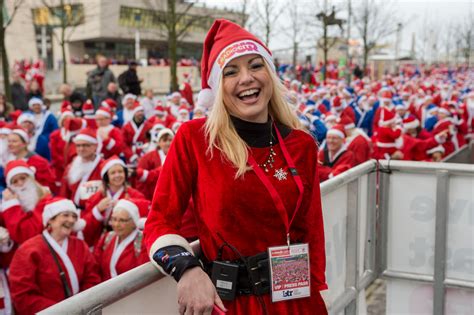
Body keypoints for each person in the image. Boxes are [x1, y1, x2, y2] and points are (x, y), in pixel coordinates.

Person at [144, 19, 327, 315]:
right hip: (230, 304)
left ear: (270, 73)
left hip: (295, 301)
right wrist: (187, 269)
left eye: (256, 66)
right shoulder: (195, 139)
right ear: (218, 86)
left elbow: (311, 233)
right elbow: (158, 223)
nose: (246, 78)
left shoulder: (302, 145)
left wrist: (316, 297)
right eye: (231, 71)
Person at [8, 197, 101, 314]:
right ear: (50, 220)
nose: (71, 220)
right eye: (65, 215)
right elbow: (23, 294)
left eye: (74, 216)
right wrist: (61, 311)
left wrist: (83, 304)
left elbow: (92, 277)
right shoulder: (28, 250)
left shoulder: (80, 245)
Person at [82, 156, 146, 247]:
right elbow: (86, 226)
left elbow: (144, 215)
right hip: (103, 242)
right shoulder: (96, 197)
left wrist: (125, 203)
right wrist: (97, 210)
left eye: (120, 171)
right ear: (106, 177)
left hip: (128, 242)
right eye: (113, 173)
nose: (117, 175)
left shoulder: (135, 195)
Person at [93, 199, 148, 281]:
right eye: (114, 219)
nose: (116, 224)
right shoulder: (107, 238)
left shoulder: (143, 242)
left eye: (122, 220)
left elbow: (143, 275)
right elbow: (95, 266)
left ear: (134, 222)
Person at [1, 160, 52, 244]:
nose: (20, 183)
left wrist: (12, 207)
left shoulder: (45, 200)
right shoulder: (7, 203)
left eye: (23, 178)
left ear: (31, 178)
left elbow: (27, 233)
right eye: (15, 181)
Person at [60, 128, 103, 208]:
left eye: (86, 145)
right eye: (78, 145)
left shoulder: (103, 166)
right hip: (72, 211)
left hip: (94, 210)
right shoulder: (71, 166)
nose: (81, 149)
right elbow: (64, 192)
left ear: (95, 146)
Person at [6, 127, 56, 193]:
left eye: (14, 141)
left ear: (24, 144)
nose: (10, 144)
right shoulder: (10, 160)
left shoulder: (39, 161)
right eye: (9, 141)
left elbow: (48, 185)